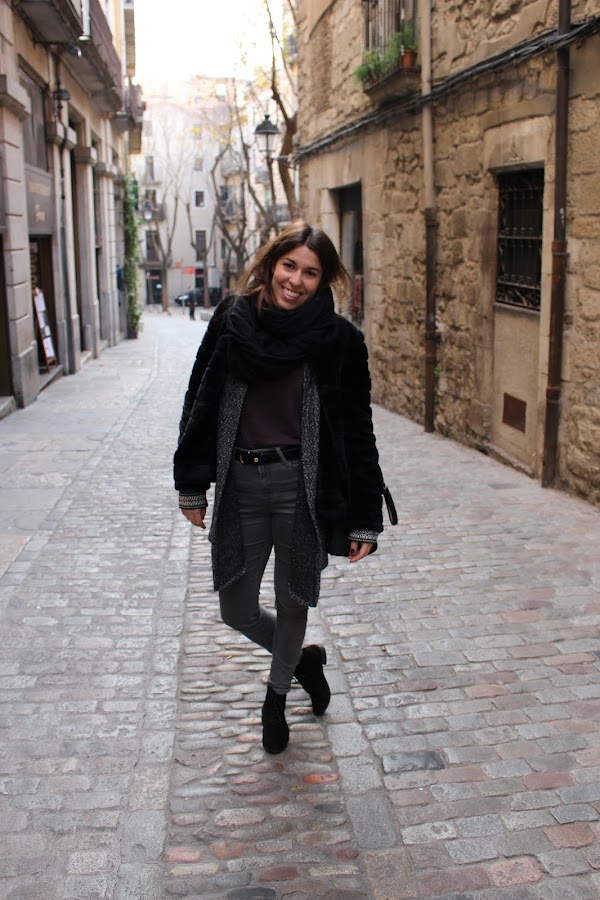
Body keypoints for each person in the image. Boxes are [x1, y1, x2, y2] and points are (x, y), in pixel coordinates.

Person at [174, 222, 384, 754]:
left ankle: (276, 698)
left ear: (324, 280)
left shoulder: (339, 341)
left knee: (293, 602)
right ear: (271, 264)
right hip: (241, 484)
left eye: (310, 272)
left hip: (302, 489)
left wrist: (365, 517)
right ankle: (304, 663)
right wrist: (192, 483)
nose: (296, 280)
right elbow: (200, 398)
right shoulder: (232, 319)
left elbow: (357, 432)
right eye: (289, 266)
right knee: (236, 608)